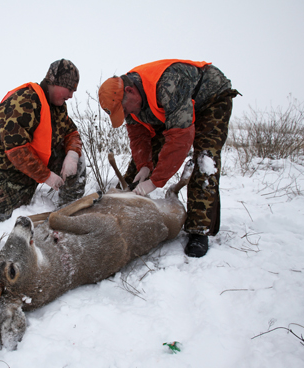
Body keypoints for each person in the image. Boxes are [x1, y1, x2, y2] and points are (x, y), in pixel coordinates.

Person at [98, 59, 239, 257]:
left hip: (210, 100)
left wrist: (155, 181)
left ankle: (199, 230)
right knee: (138, 169)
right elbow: (139, 138)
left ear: (129, 91)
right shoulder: (128, 103)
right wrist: (144, 166)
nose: (127, 114)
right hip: (175, 109)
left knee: (205, 159)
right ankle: (124, 206)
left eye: (126, 109)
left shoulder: (168, 84)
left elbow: (180, 138)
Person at [0, 59, 85, 222]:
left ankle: (67, 209)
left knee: (76, 159)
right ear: (55, 82)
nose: (70, 96)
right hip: (6, 167)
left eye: (73, 91)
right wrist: (46, 175)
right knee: (5, 216)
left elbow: (71, 132)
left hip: (33, 164)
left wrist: (72, 155)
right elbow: (16, 151)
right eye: (69, 89)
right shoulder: (23, 101)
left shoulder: (57, 106)